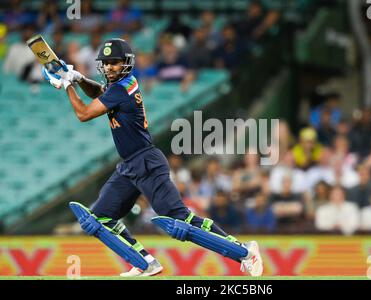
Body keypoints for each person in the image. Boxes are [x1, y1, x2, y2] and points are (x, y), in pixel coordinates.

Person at [41, 38, 262, 277]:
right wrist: (78, 78)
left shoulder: (121, 88)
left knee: (180, 221)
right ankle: (144, 261)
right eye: (106, 63)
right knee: (99, 219)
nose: (110, 67)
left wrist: (66, 86)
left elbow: (84, 113)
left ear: (126, 63)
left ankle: (244, 251)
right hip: (130, 166)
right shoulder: (123, 85)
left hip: (145, 162)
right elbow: (100, 93)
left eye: (115, 62)